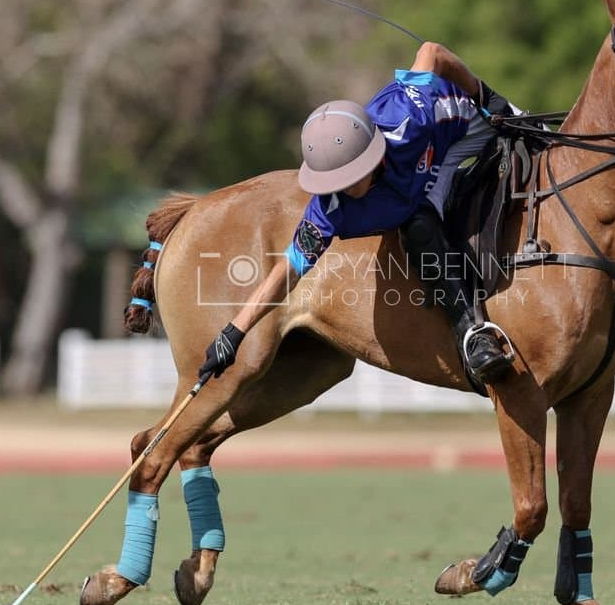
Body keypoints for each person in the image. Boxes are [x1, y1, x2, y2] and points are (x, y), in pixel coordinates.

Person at [199, 42, 519, 385]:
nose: (344, 189)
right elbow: (288, 268)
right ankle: (472, 333)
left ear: (374, 156)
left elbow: (432, 52)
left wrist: (486, 95)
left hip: (466, 124)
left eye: (350, 179)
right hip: (431, 175)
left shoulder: (409, 117)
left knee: (544, 145)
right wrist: (235, 331)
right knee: (419, 228)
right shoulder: (329, 207)